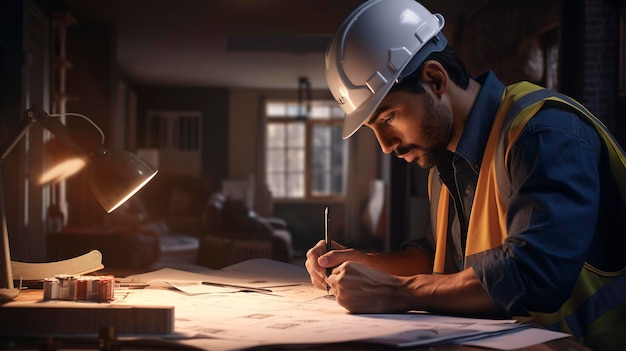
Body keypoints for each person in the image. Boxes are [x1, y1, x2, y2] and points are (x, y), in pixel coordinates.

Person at [304, 0, 626, 349]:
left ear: (435, 79)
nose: (385, 145)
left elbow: (533, 276)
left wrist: (394, 292)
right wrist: (360, 263)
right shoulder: (443, 165)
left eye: (388, 117)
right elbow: (435, 260)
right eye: (373, 128)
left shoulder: (543, 134)